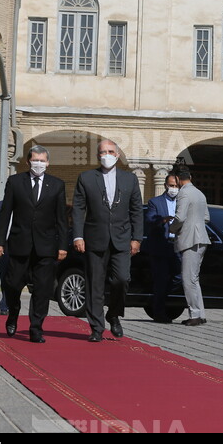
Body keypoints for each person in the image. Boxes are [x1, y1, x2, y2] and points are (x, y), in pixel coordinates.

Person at [0, 146, 68, 343]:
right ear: (28, 161)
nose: (39, 163)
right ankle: (13, 312)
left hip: (46, 247)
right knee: (12, 284)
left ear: (48, 163)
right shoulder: (15, 182)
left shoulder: (57, 185)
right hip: (19, 243)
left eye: (43, 160)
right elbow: (5, 213)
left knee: (42, 289)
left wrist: (63, 245)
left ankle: (36, 328)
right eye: (36, 160)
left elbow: (61, 218)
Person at [72, 139, 143, 342]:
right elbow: (78, 209)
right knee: (94, 284)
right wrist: (78, 235)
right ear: (98, 155)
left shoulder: (129, 179)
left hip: (122, 239)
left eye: (111, 151)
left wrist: (137, 238)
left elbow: (137, 210)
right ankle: (96, 327)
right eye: (103, 152)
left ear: (117, 155)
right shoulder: (86, 178)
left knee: (122, 279)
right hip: (94, 239)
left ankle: (114, 314)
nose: (107, 155)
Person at [169, 166, 210, 327]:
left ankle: (195, 314)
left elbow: (179, 217)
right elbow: (206, 217)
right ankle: (201, 313)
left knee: (187, 279)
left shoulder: (184, 193)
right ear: (190, 176)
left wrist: (171, 228)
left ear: (178, 179)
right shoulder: (200, 193)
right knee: (194, 278)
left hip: (190, 239)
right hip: (201, 238)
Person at [143, 173, 182, 323]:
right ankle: (159, 312)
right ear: (166, 185)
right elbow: (149, 220)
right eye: (171, 185)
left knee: (179, 277)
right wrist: (162, 220)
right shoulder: (155, 202)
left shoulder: (182, 201)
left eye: (176, 186)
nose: (173, 189)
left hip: (177, 245)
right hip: (160, 246)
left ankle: (160, 298)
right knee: (161, 279)